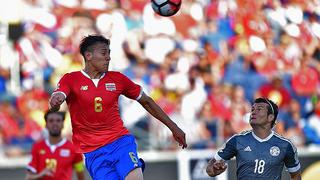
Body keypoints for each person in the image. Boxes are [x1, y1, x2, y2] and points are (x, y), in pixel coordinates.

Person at [49, 34, 187, 180]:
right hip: (93, 152)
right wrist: (55, 102)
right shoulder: (71, 79)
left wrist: (173, 127)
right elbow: (57, 100)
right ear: (88, 55)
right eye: (103, 53)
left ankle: (134, 166)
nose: (108, 57)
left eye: (109, 53)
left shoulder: (118, 79)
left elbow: (146, 101)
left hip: (120, 142)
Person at [206, 97, 301, 180]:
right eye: (252, 109)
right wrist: (214, 170)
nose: (253, 112)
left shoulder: (285, 145)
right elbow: (210, 168)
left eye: (259, 109)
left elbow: (296, 175)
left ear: (270, 117)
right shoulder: (237, 140)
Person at [26, 111, 85, 180]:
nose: (55, 123)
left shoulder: (73, 148)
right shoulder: (37, 147)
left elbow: (81, 175)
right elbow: (28, 177)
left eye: (58, 121)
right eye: (51, 121)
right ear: (46, 125)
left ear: (63, 124)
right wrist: (40, 175)